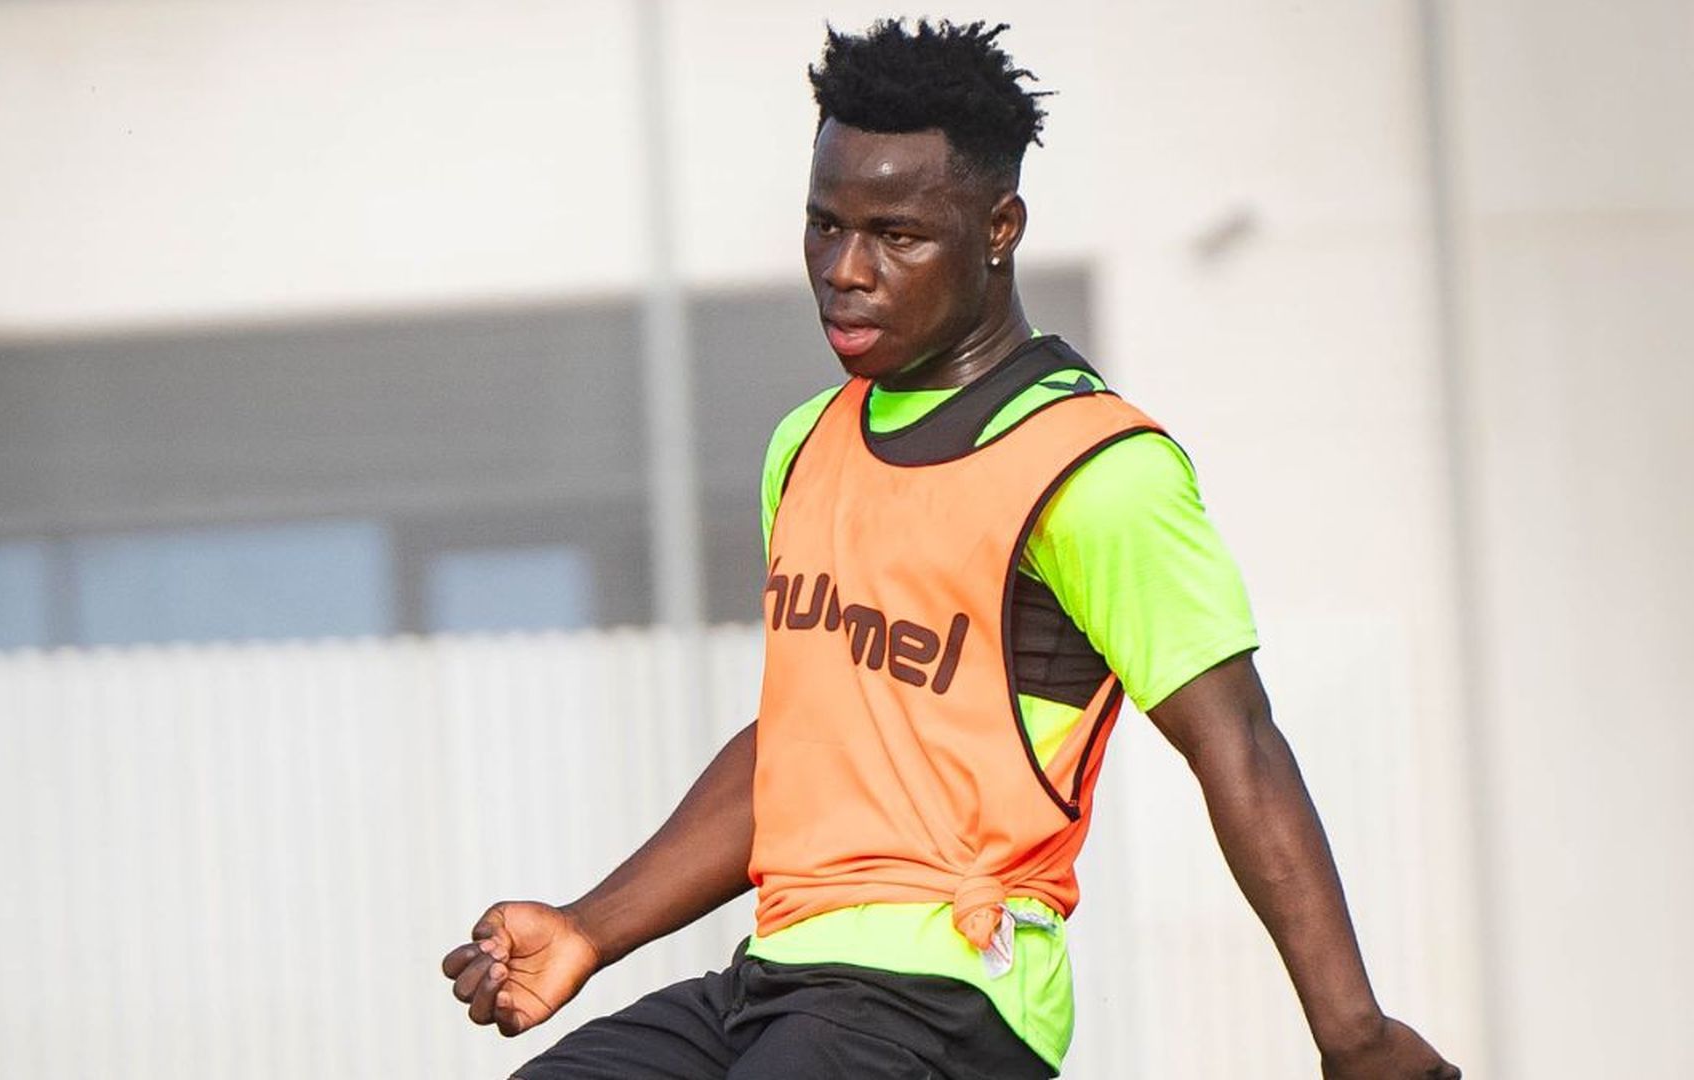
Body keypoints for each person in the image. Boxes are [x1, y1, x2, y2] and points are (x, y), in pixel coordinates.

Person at [442, 18, 1460, 1080]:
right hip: (777, 980)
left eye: (897, 235)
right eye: (823, 225)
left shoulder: (1094, 469)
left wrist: (1356, 1037)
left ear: (1000, 226)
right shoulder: (807, 446)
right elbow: (803, 747)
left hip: (953, 1001)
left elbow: (1238, 745)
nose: (846, 270)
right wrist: (591, 926)